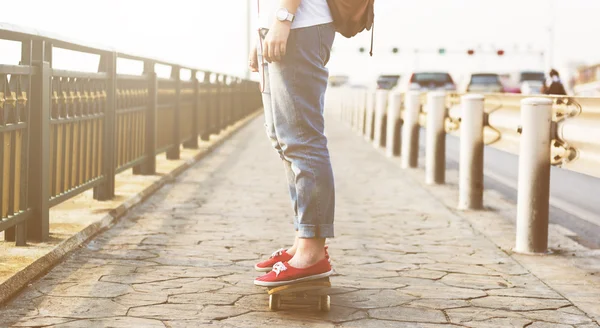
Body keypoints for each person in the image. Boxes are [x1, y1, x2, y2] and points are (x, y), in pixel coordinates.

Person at [248, 0, 336, 287]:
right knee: (282, 138)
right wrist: (262, 30)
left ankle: (311, 253)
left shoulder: (292, 22)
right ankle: (304, 240)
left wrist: (284, 18)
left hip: (300, 26)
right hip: (280, 25)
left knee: (302, 142)